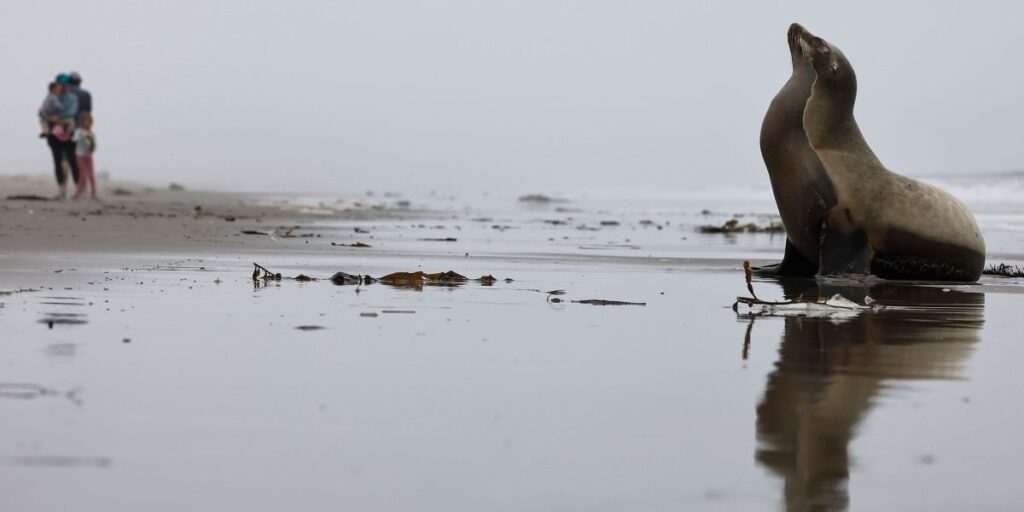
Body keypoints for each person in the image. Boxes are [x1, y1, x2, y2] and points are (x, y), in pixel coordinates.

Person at [72, 112, 97, 199]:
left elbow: (93, 146)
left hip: (88, 155)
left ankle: (93, 193)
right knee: (82, 174)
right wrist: (82, 136)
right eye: (85, 121)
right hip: (80, 155)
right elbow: (74, 139)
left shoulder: (91, 133)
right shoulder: (79, 131)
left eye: (89, 121)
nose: (87, 123)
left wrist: (91, 142)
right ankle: (78, 192)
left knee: (91, 174)